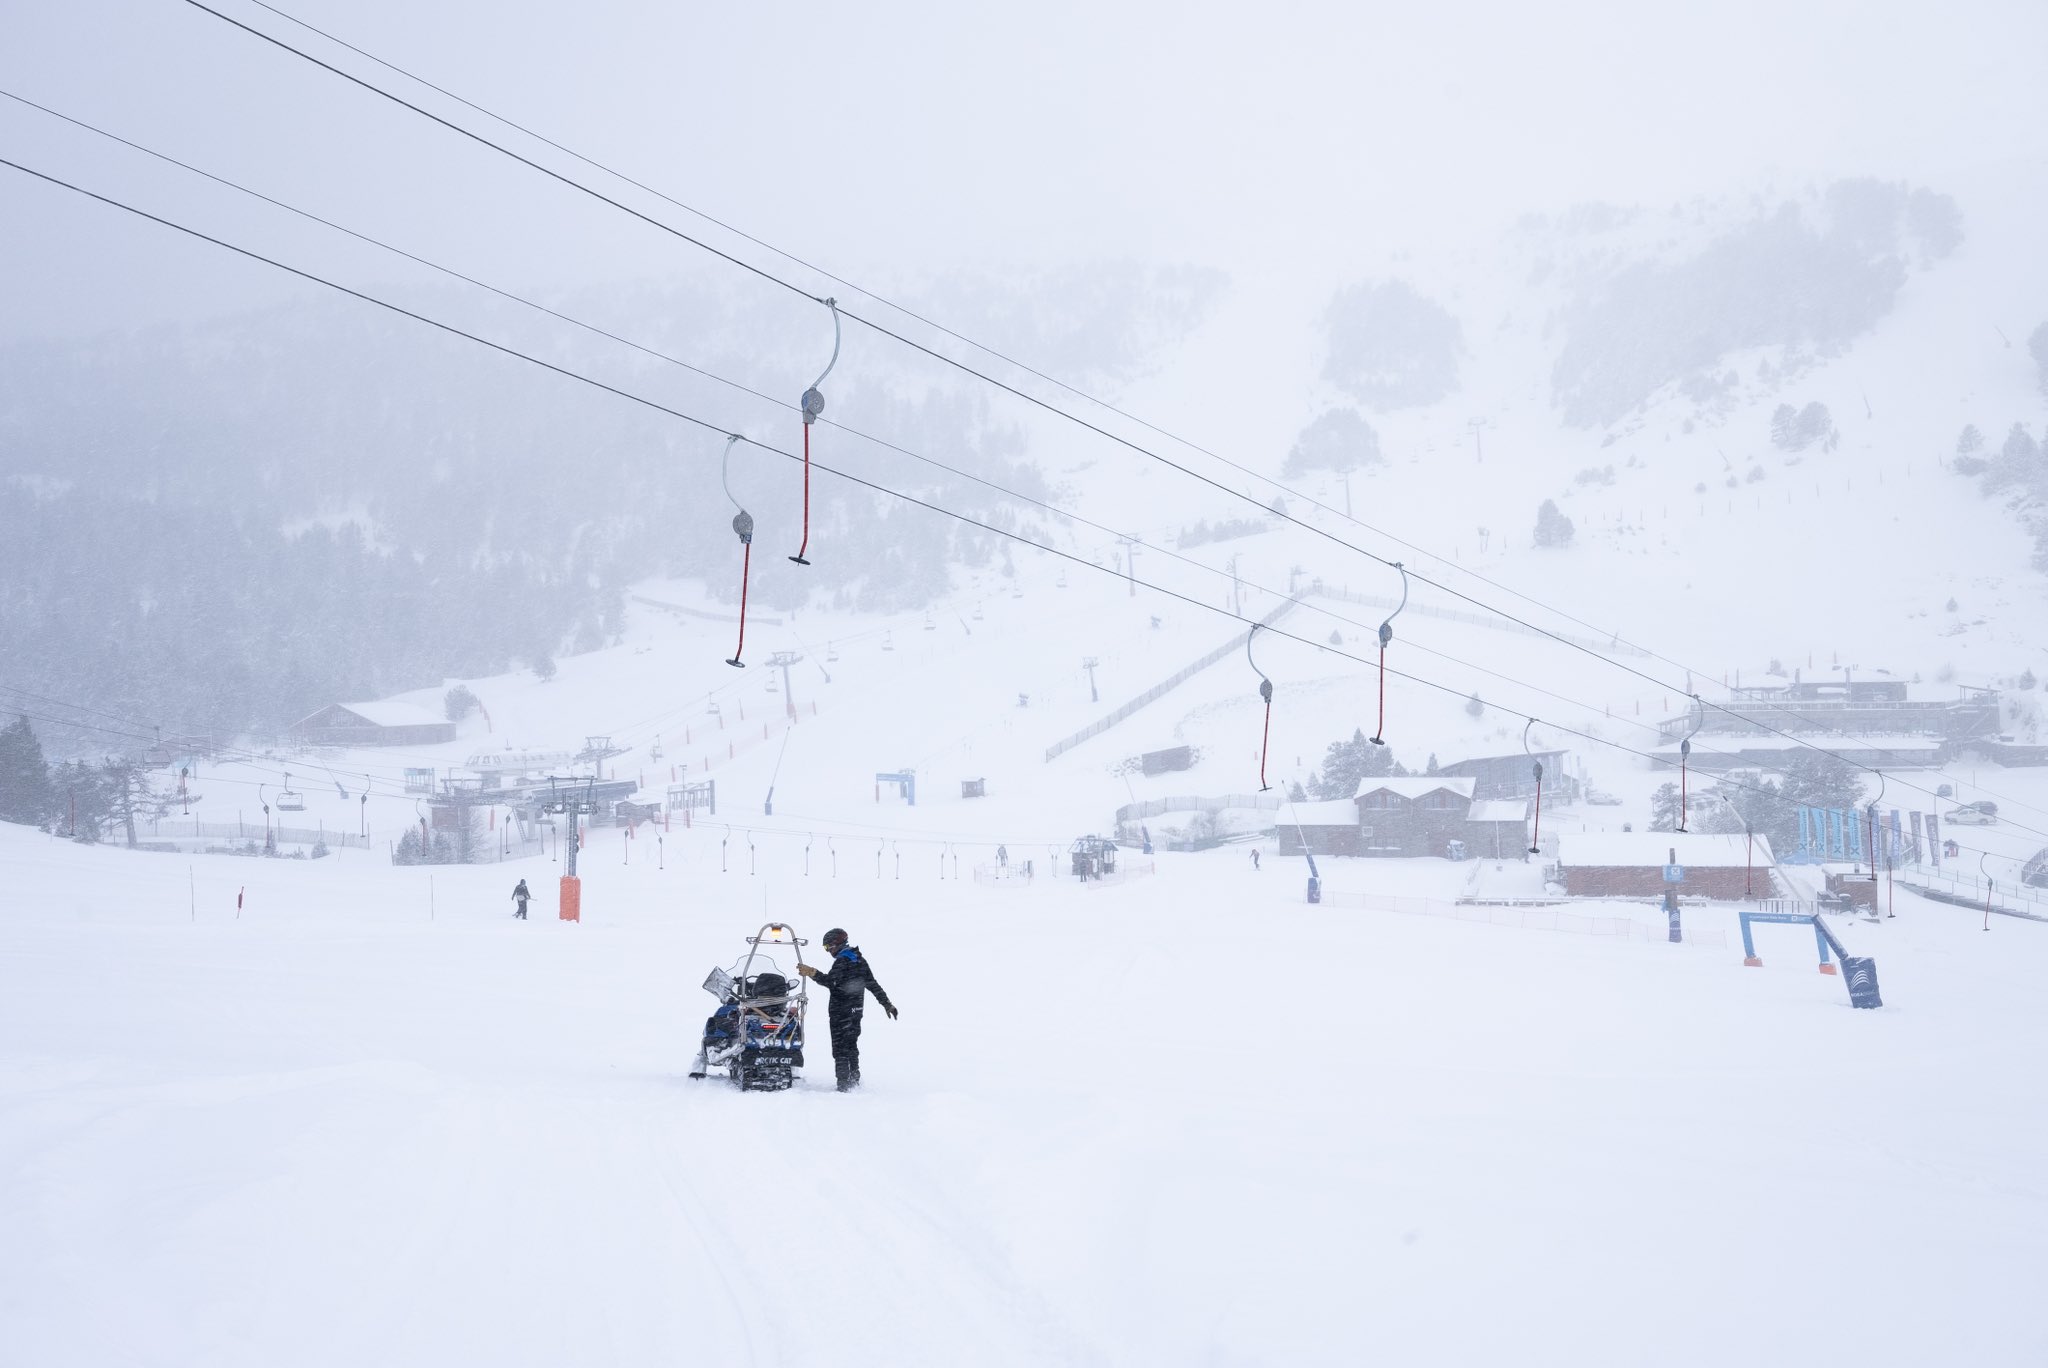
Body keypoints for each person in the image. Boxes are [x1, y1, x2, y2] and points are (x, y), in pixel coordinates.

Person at [796, 927, 896, 1091]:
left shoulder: (843, 961)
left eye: (828, 947)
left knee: (840, 1048)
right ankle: (854, 1080)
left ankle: (843, 1084)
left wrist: (812, 973)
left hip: (841, 1011)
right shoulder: (858, 959)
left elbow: (831, 982)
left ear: (836, 944)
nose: (828, 951)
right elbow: (872, 984)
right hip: (856, 1011)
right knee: (851, 1044)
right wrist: (887, 1003)